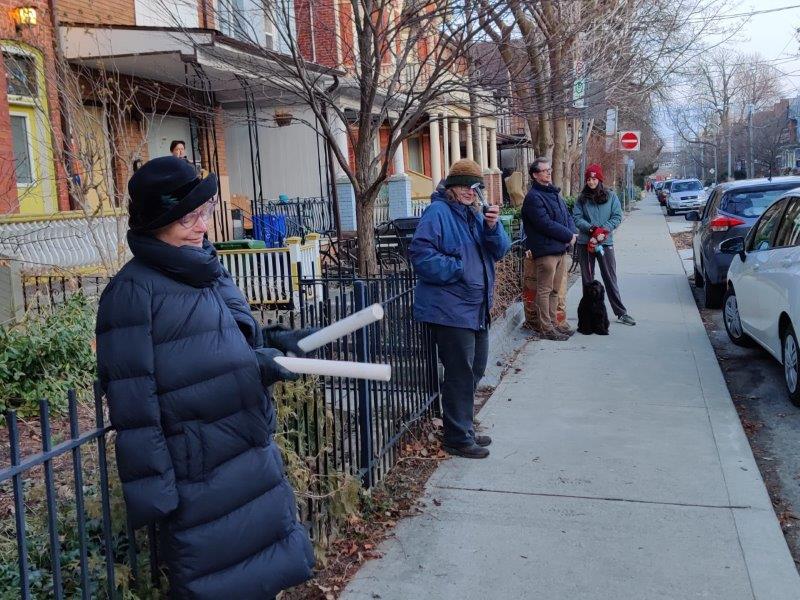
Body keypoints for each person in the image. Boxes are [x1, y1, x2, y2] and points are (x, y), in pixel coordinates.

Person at [95, 156, 315, 599]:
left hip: (250, 456)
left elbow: (227, 340)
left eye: (206, 211)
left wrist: (275, 338)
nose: (203, 226)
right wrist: (156, 496)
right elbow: (133, 405)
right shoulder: (132, 293)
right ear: (156, 223)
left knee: (266, 578)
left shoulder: (206, 268)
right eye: (188, 218)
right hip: (200, 479)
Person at [409, 159, 511, 459]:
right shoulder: (438, 212)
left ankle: (463, 427)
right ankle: (456, 437)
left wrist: (492, 227)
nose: (469, 191)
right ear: (452, 187)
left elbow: (501, 250)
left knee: (475, 370)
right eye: (464, 186)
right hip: (450, 308)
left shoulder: (476, 215)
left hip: (476, 307)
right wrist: (459, 268)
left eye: (475, 187)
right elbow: (421, 254)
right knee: (460, 374)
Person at [521, 157, 577, 341]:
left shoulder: (554, 193)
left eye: (549, 170)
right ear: (535, 175)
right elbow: (545, 224)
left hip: (560, 249)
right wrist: (568, 236)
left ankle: (554, 324)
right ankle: (545, 328)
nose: (548, 173)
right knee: (544, 291)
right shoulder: (533, 197)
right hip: (546, 251)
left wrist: (572, 232)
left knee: (555, 291)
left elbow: (567, 216)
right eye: (544, 171)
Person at [572, 163, 636, 326]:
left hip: (604, 244)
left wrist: (602, 232)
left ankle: (621, 312)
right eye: (588, 179)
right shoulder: (582, 198)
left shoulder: (611, 196)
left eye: (594, 179)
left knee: (609, 277)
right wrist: (592, 230)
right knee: (587, 280)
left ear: (599, 180)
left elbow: (616, 216)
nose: (591, 182)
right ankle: (588, 314)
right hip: (586, 244)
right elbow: (577, 218)